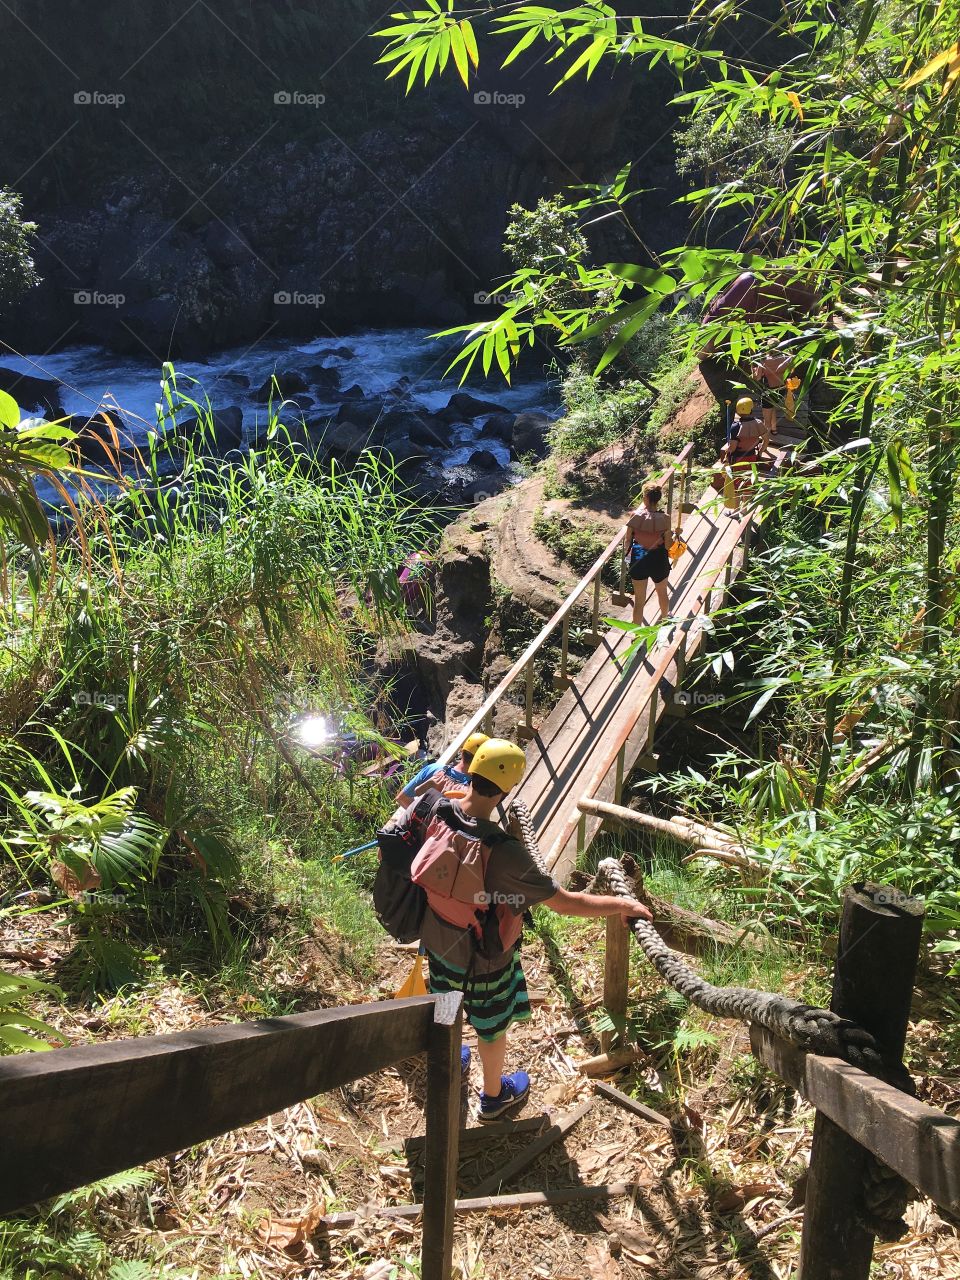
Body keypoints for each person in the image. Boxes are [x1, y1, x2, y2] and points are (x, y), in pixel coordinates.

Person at [413, 738, 652, 1120]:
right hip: (486, 953)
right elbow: (565, 903)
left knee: (445, 1001)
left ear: (471, 770)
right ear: (508, 789)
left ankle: (451, 1055)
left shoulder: (436, 811)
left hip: (439, 937)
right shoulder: (504, 852)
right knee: (490, 1025)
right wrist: (622, 903)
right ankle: (493, 1097)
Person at [395, 731, 488, 808]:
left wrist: (423, 819)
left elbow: (402, 798)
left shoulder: (433, 768)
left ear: (461, 751)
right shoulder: (478, 789)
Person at [624, 483, 672, 625]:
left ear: (645, 497)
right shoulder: (666, 518)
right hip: (658, 557)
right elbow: (668, 545)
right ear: (658, 499)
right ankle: (665, 619)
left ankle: (637, 634)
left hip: (638, 556)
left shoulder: (635, 516)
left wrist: (628, 558)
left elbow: (627, 540)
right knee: (662, 591)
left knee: (639, 600)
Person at [720, 396, 768, 510]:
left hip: (738, 460)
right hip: (752, 457)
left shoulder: (735, 427)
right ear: (751, 410)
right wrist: (760, 452)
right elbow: (766, 440)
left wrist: (727, 451)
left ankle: (736, 511)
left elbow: (732, 447)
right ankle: (745, 510)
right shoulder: (759, 423)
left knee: (737, 484)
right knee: (747, 484)